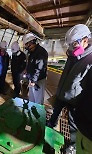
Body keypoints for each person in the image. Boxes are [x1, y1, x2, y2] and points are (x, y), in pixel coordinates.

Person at [48, 24, 92, 154]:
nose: (72, 48)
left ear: (85, 40)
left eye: (74, 44)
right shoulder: (73, 55)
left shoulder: (89, 61)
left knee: (72, 124)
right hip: (62, 93)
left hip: (74, 100)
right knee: (56, 112)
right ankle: (51, 124)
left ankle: (72, 145)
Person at [23, 33, 48, 104]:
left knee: (38, 100)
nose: (26, 46)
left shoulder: (41, 52)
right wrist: (26, 70)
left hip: (38, 80)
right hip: (32, 79)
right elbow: (31, 64)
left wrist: (34, 81)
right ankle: (31, 112)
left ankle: (38, 114)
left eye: (27, 44)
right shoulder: (32, 52)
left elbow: (39, 68)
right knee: (32, 98)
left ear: (31, 42)